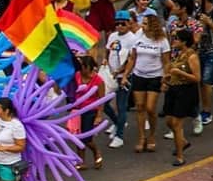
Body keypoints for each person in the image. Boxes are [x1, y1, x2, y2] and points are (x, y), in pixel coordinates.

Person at [123, 14, 170, 153]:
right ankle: (141, 137)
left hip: (155, 76)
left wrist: (165, 79)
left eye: (145, 23)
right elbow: (132, 58)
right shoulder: (138, 37)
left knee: (150, 108)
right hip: (139, 75)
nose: (142, 26)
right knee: (139, 107)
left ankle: (152, 136)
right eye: (142, 23)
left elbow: (166, 62)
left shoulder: (162, 41)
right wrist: (126, 75)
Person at [163, 29, 201, 167]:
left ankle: (180, 156)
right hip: (173, 89)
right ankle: (183, 142)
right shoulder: (178, 54)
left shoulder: (192, 56)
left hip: (185, 91)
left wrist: (180, 73)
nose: (173, 41)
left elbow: (196, 78)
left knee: (177, 124)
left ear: (184, 41)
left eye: (176, 39)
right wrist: (167, 78)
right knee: (169, 121)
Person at [103, 12, 138, 149]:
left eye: (122, 23)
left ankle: (120, 136)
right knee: (103, 102)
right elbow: (107, 50)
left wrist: (123, 74)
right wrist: (105, 60)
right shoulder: (112, 36)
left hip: (124, 77)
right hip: (110, 75)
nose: (119, 26)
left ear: (129, 23)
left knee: (121, 105)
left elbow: (132, 59)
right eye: (117, 23)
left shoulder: (132, 39)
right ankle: (118, 122)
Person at [73, 56, 106, 171]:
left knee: (86, 138)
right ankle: (81, 161)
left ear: (89, 67)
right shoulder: (77, 75)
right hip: (76, 111)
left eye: (83, 67)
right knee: (76, 136)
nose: (81, 70)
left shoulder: (98, 80)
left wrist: (99, 115)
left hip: (90, 111)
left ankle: (96, 151)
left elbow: (101, 99)